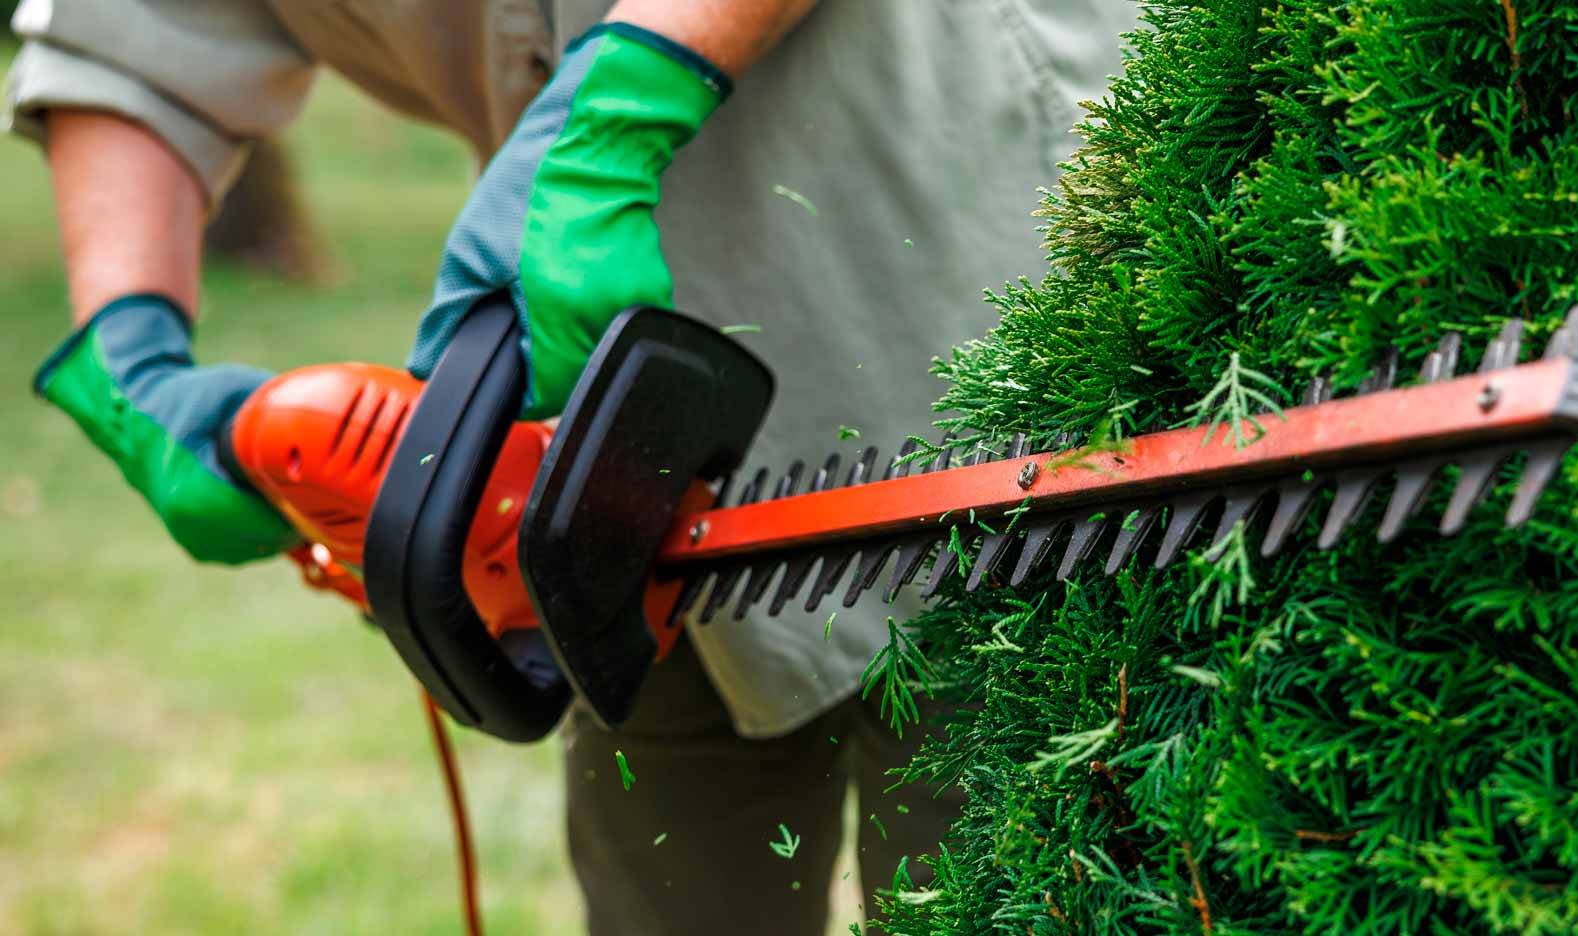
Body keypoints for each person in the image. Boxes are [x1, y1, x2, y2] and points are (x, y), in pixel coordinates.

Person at [6, 1, 1138, 931]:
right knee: (666, 888)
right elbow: (135, 38)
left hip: (977, 293)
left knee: (1014, 880)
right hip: (612, 432)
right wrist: (132, 353)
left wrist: (624, 94)